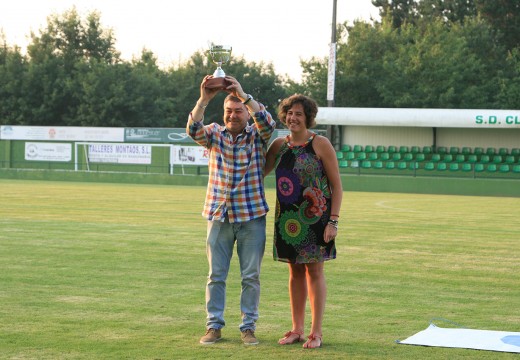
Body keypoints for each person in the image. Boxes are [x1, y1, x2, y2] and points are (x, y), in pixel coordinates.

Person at [187, 75, 276, 346]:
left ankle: (248, 327)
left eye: (238, 111)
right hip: (219, 216)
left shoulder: (258, 135)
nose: (233, 115)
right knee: (216, 276)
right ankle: (213, 326)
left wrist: (243, 95)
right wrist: (204, 99)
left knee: (251, 277)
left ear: (246, 113)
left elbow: (268, 122)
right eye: (229, 111)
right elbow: (193, 129)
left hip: (251, 217)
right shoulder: (214, 133)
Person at [265, 94, 343, 349]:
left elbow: (337, 186)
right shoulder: (279, 145)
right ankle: (297, 329)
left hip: (317, 218)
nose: (293, 118)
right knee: (294, 270)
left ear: (307, 117)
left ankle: (316, 332)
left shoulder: (320, 143)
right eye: (289, 113)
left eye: (298, 114)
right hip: (288, 220)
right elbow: (259, 170)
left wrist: (333, 222)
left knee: (315, 271)